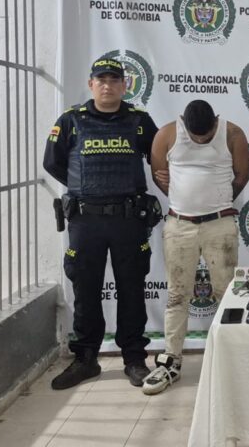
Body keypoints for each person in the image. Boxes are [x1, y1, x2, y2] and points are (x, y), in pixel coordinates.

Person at [43, 58, 160, 390]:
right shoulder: (71, 121)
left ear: (124, 85)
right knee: (86, 289)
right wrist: (83, 188)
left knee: (132, 289)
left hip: (128, 219)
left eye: (114, 80)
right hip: (86, 220)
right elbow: (52, 162)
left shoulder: (139, 121)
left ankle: (134, 359)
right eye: (101, 80)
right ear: (91, 84)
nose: (107, 85)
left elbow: (159, 156)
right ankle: (86, 359)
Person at [141, 100, 249, 395]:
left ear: (216, 122)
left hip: (220, 225)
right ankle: (171, 362)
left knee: (227, 295)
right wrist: (182, 199)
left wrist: (218, 201)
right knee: (177, 295)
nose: (201, 141)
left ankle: (231, 361)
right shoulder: (166, 134)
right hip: (180, 225)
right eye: (195, 136)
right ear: (184, 124)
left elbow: (242, 177)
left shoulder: (233, 134)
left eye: (206, 136)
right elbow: (159, 174)